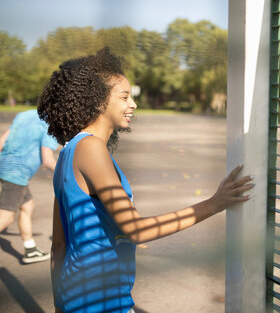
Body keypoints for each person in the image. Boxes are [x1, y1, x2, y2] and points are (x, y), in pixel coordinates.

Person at [37, 48, 253, 313]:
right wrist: (215, 203)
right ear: (97, 101)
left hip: (75, 297)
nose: (133, 105)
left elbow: (58, 246)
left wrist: (61, 305)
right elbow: (136, 230)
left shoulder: (67, 153)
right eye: (124, 97)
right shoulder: (91, 150)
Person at [0, 109, 58, 264]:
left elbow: (3, 140)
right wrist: (70, 172)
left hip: (4, 166)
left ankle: (30, 249)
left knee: (28, 205)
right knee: (6, 216)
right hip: (16, 173)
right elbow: (47, 159)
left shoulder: (25, 115)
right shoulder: (50, 126)